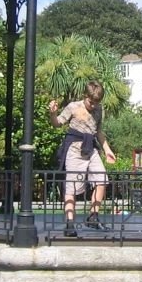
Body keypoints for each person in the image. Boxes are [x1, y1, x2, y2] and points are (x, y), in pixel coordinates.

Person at [48, 81, 116, 237]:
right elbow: (58, 123)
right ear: (85, 96)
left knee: (102, 179)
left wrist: (107, 150)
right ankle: (69, 223)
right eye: (91, 102)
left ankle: (93, 216)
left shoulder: (99, 109)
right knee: (71, 186)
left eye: (96, 103)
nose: (93, 106)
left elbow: (98, 131)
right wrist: (52, 113)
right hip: (75, 149)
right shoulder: (73, 106)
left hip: (90, 148)